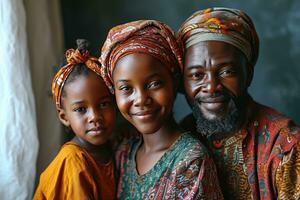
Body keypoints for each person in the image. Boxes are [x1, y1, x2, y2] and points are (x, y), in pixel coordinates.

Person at [177, 7, 300, 200]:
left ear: (248, 75)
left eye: (226, 72)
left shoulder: (285, 146)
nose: (211, 87)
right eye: (196, 75)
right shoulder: (180, 138)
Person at [100, 20, 223, 199]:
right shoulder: (123, 154)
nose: (141, 99)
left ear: (174, 82)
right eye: (126, 88)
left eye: (154, 84)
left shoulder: (190, 160)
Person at [33, 39, 116, 200]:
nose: (94, 117)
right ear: (64, 117)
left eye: (104, 104)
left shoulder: (115, 148)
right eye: (81, 109)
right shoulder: (73, 161)